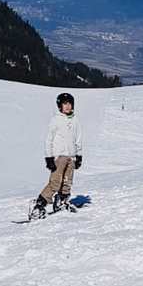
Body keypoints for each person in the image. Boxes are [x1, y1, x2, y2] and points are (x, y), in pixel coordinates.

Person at [29, 91, 84, 219]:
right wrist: (49, 158)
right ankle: (39, 204)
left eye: (70, 103)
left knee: (67, 182)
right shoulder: (56, 120)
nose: (68, 106)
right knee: (55, 182)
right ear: (60, 106)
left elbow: (78, 139)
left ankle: (61, 201)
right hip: (59, 157)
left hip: (71, 156)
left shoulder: (75, 120)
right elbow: (49, 140)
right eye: (65, 104)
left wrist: (79, 155)